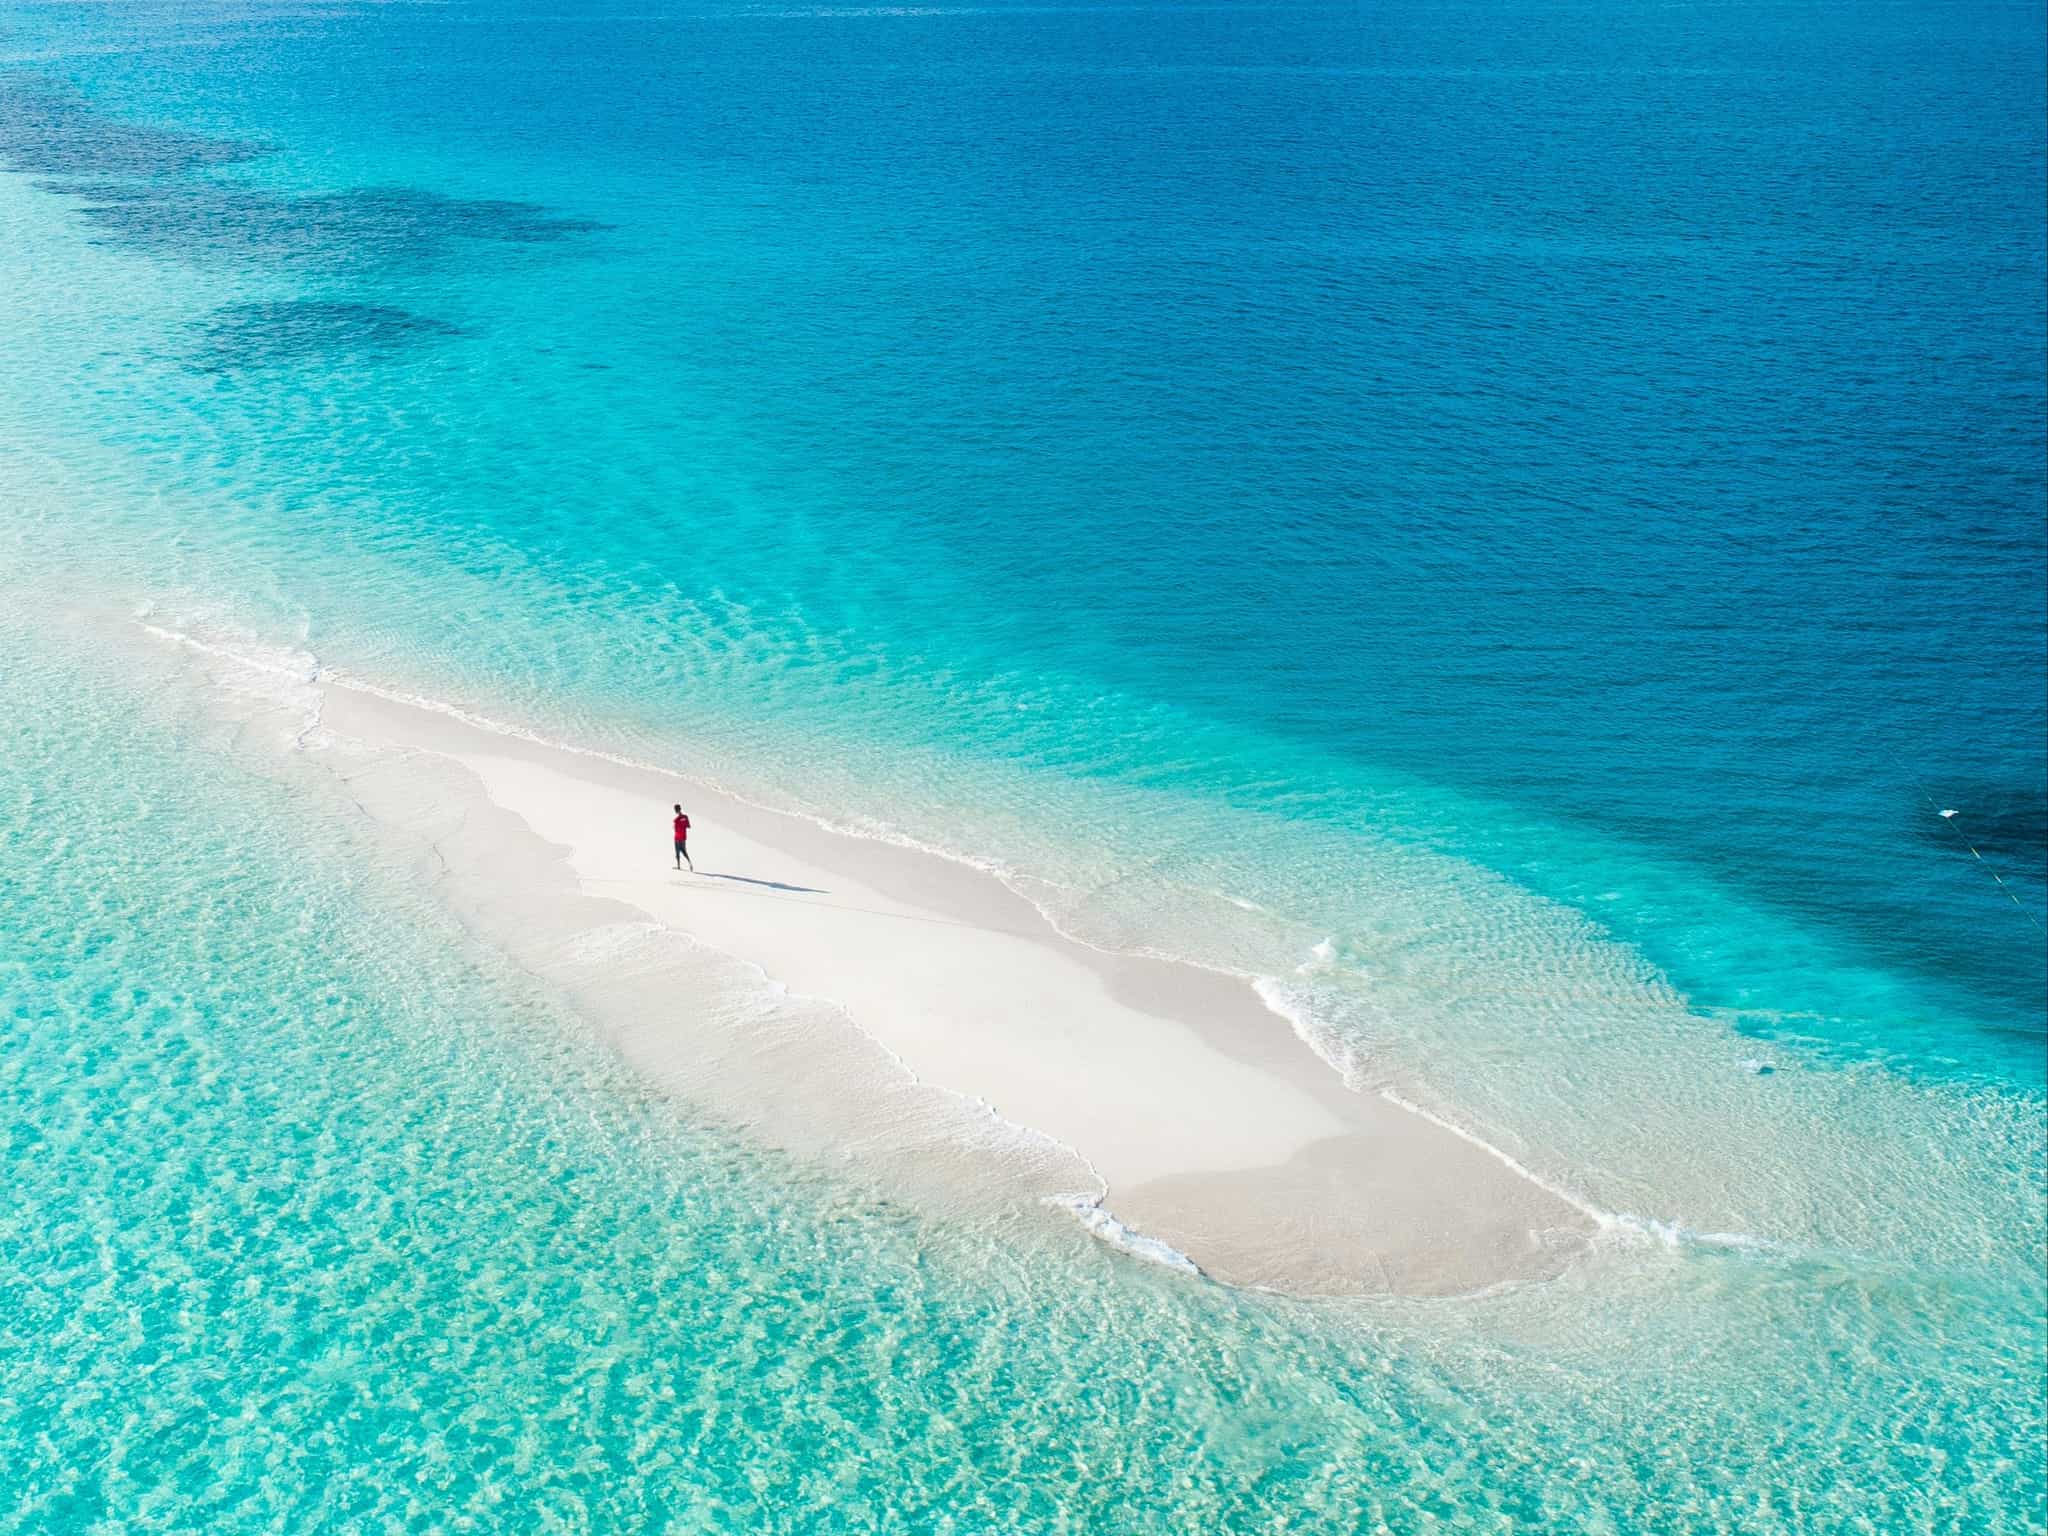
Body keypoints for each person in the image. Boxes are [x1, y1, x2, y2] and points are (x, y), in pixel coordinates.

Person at [672, 804, 693, 871]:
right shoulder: (685, 817)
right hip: (683, 837)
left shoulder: (676, 820)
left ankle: (678, 866)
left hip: (677, 837)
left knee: (677, 852)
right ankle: (689, 862)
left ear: (675, 810)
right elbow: (689, 826)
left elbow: (675, 828)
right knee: (684, 851)